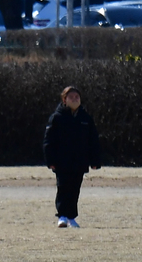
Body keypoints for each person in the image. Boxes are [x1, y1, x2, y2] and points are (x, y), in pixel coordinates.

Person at [43, 85, 101, 228]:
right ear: (64, 100)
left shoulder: (86, 118)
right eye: (71, 97)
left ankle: (71, 217)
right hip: (62, 161)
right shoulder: (57, 118)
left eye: (77, 97)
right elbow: (48, 141)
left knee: (75, 189)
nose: (75, 99)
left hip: (80, 161)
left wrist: (95, 160)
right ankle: (62, 216)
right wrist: (50, 160)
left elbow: (93, 141)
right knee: (63, 188)